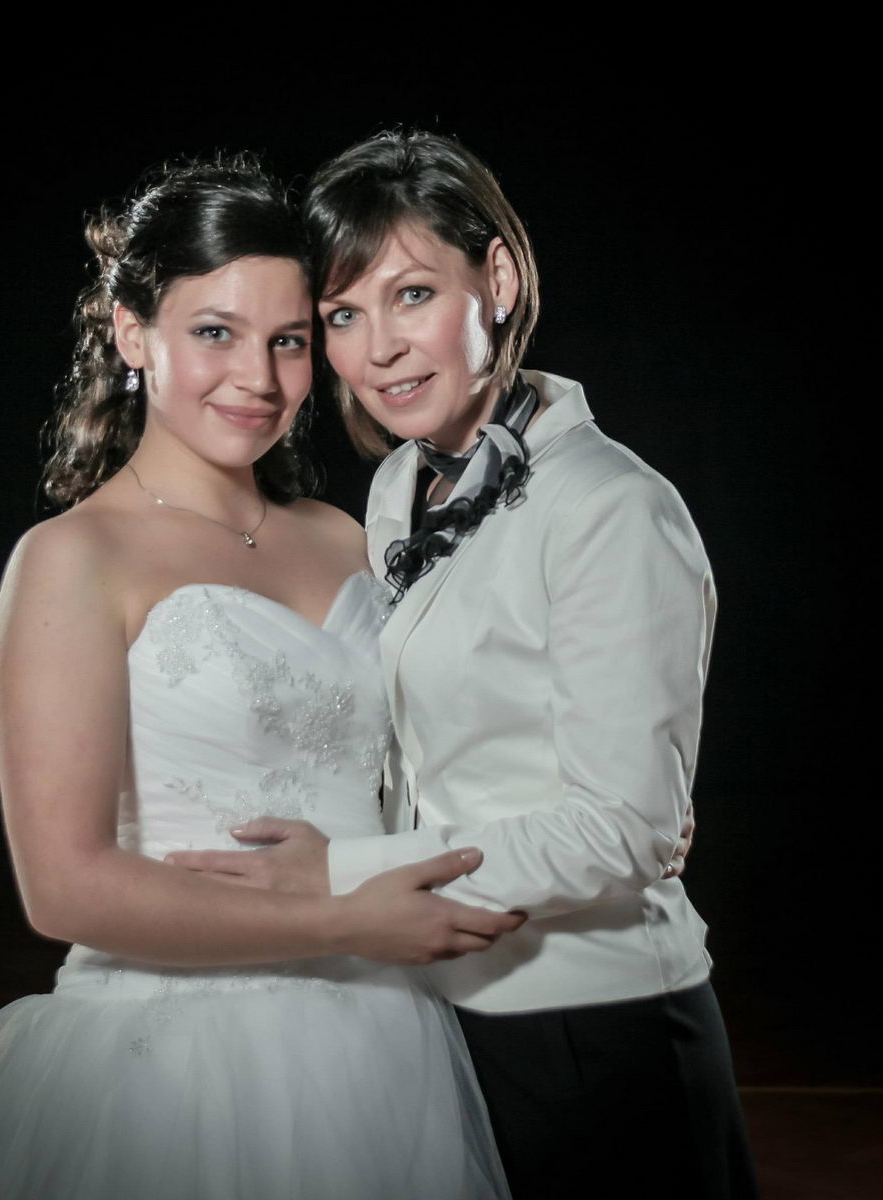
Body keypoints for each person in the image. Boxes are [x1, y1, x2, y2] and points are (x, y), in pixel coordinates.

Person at [0, 155, 524, 1200]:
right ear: (132, 333)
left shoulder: (346, 536)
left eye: (289, 340)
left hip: (384, 1040)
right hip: (173, 1057)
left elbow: (431, 754)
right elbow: (63, 886)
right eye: (215, 331)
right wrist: (344, 920)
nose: (258, 378)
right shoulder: (73, 558)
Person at [167, 132, 759, 1199]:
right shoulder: (399, 487)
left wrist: (343, 873)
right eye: (344, 315)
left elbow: (623, 830)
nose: (380, 350)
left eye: (412, 295)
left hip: (593, 1025)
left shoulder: (614, 508)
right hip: (433, 1019)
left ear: (499, 278)